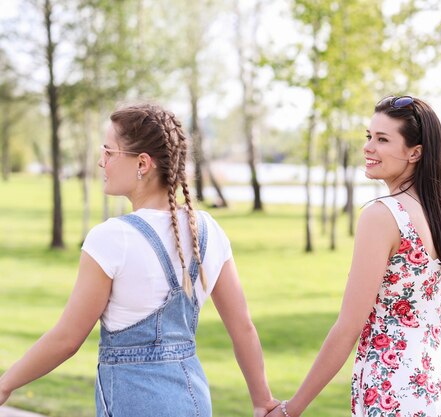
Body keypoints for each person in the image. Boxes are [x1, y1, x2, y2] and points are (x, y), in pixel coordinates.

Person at [0, 103, 278, 417]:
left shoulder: (111, 238)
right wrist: (262, 400)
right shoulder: (207, 230)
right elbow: (243, 327)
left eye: (108, 151)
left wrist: (5, 384)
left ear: (142, 163)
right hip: (195, 402)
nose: (100, 161)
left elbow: (67, 339)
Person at [267, 96, 441, 417]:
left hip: (391, 390)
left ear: (415, 152)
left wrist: (292, 409)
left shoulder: (383, 215)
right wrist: (434, 380)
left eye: (383, 139)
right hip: (439, 388)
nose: (368, 148)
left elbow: (348, 327)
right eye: (369, 137)